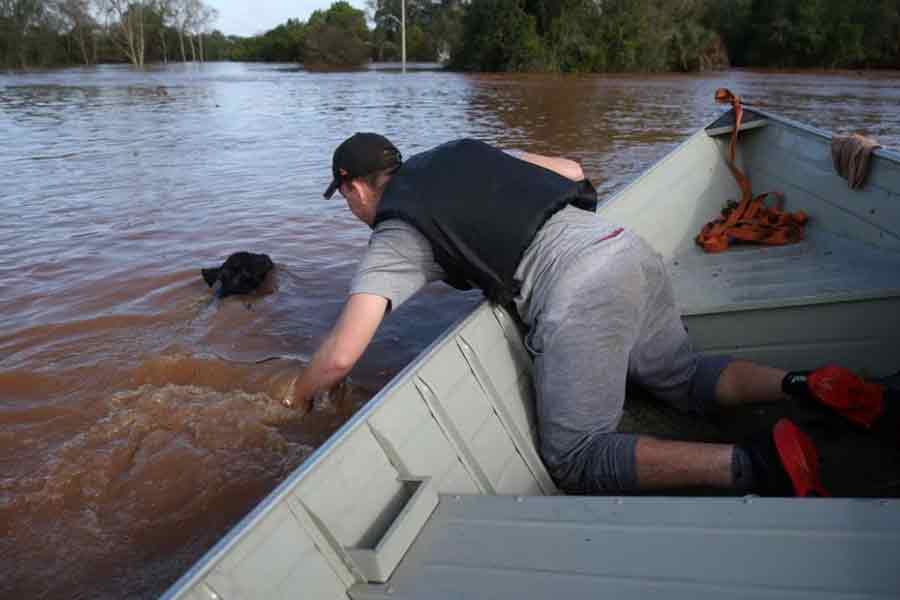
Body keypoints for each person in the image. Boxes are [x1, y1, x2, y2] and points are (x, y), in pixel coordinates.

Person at [287, 132, 895, 497]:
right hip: (623, 247)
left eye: (344, 198)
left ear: (353, 188)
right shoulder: (462, 150)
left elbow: (341, 355)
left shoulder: (396, 230)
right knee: (681, 376)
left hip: (578, 288)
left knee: (575, 456)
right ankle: (806, 384)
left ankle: (757, 464)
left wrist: (293, 396)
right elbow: (574, 171)